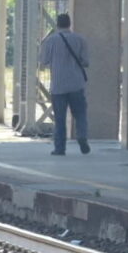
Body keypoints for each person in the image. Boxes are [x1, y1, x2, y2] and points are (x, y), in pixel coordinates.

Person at [38, 13, 90, 155]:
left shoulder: (50, 41)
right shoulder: (80, 40)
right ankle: (82, 137)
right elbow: (85, 62)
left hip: (58, 86)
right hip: (76, 84)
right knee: (80, 114)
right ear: (69, 24)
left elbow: (44, 61)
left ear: (57, 24)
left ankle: (60, 148)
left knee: (60, 119)